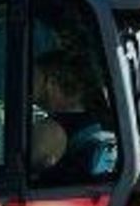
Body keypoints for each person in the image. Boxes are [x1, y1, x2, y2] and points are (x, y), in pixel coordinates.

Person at [30, 48, 119, 185]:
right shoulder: (100, 124)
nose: (29, 86)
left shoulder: (49, 131)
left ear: (51, 83)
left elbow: (17, 177)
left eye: (34, 79)